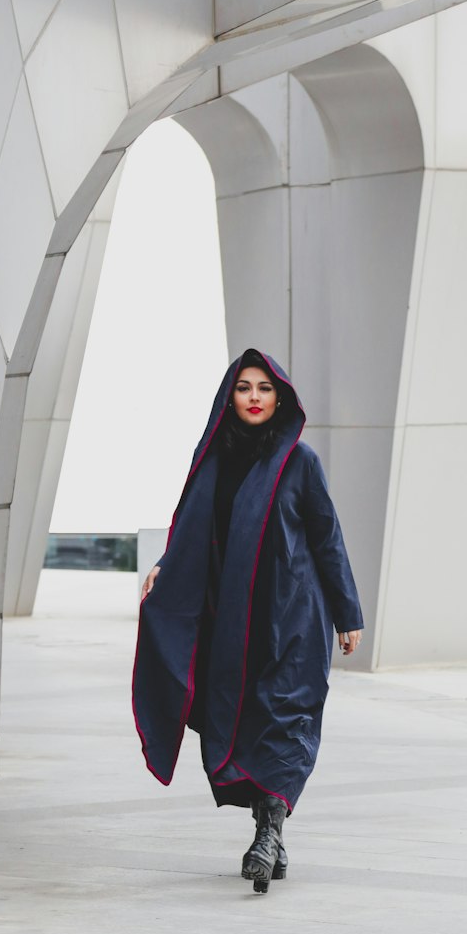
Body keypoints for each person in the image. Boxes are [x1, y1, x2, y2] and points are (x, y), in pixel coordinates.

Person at [132, 348, 363, 893]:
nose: (254, 397)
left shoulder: (299, 461)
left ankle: (267, 835)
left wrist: (347, 609)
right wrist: (166, 566)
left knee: (285, 720)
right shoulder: (213, 461)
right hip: (232, 621)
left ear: (279, 397)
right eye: (244, 387)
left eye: (264, 388)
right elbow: (192, 531)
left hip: (293, 619)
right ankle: (271, 831)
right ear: (229, 396)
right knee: (244, 723)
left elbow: (327, 537)